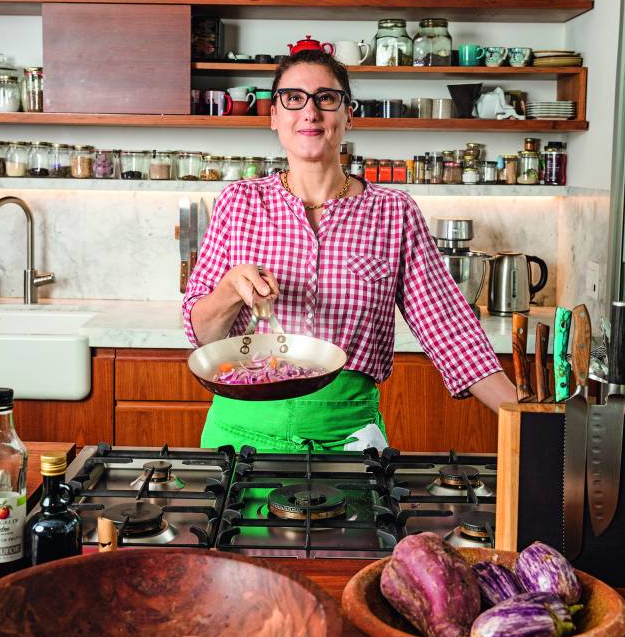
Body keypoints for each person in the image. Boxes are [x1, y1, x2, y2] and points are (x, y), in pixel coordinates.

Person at [182, 50, 516, 452]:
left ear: (348, 115)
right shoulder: (239, 202)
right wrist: (231, 288)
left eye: (326, 98)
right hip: (239, 435)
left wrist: (528, 420)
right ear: (273, 116)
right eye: (293, 98)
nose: (310, 112)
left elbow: (450, 331)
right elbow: (202, 332)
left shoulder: (393, 212)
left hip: (347, 439)